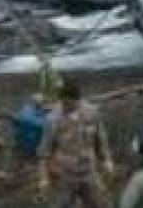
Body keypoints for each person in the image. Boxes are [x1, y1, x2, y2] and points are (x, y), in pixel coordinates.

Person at [38, 79, 115, 208]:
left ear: (77, 100)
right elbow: (44, 152)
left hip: (89, 170)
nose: (66, 106)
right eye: (63, 103)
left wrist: (107, 160)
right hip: (65, 173)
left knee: (99, 203)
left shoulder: (91, 112)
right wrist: (44, 178)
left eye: (70, 103)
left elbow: (101, 139)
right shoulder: (53, 119)